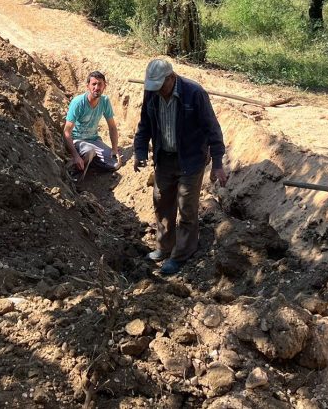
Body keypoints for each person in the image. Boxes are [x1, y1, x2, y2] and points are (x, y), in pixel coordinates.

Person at [133, 58, 227, 275]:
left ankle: (182, 253)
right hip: (164, 158)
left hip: (191, 159)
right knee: (161, 201)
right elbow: (144, 124)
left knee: (186, 207)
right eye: (154, 87)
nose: (159, 91)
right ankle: (164, 246)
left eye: (161, 86)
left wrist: (218, 163)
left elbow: (212, 128)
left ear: (172, 78)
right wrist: (139, 151)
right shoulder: (152, 93)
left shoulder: (194, 93)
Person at [64, 71, 120, 177]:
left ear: (104, 86)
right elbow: (67, 132)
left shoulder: (105, 101)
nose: (97, 87)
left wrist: (114, 148)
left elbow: (112, 127)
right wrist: (75, 155)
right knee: (89, 151)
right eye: (93, 84)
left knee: (115, 164)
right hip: (77, 140)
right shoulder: (78, 103)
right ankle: (74, 175)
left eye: (100, 84)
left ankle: (91, 162)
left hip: (94, 140)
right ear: (88, 86)